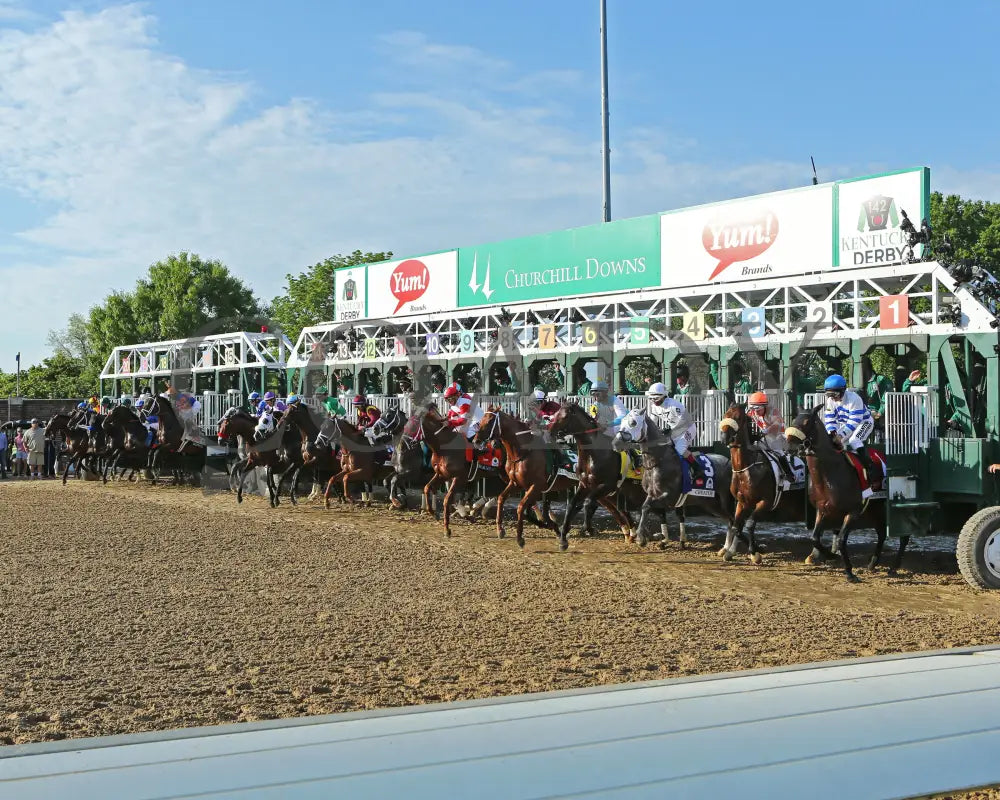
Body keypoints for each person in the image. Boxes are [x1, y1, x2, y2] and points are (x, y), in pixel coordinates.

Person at [822, 374, 877, 497]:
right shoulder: (830, 401)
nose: (832, 398)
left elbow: (854, 421)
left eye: (834, 394)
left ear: (842, 391)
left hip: (864, 422)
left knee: (854, 440)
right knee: (833, 443)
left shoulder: (854, 399)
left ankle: (869, 468)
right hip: (847, 424)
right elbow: (830, 420)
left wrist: (841, 436)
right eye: (829, 394)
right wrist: (832, 433)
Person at [646, 382, 702, 479]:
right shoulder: (654, 407)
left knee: (680, 448)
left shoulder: (674, 405)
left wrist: (669, 430)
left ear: (664, 396)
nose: (654, 401)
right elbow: (652, 423)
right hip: (674, 430)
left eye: (656, 398)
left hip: (688, 428)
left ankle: (697, 468)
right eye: (651, 398)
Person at [746, 391, 796, 487]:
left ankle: (789, 474)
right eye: (753, 409)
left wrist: (766, 430)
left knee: (778, 451)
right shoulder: (752, 412)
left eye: (758, 409)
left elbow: (776, 425)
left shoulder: (773, 411)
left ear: (764, 407)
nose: (755, 412)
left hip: (779, 435)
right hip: (765, 436)